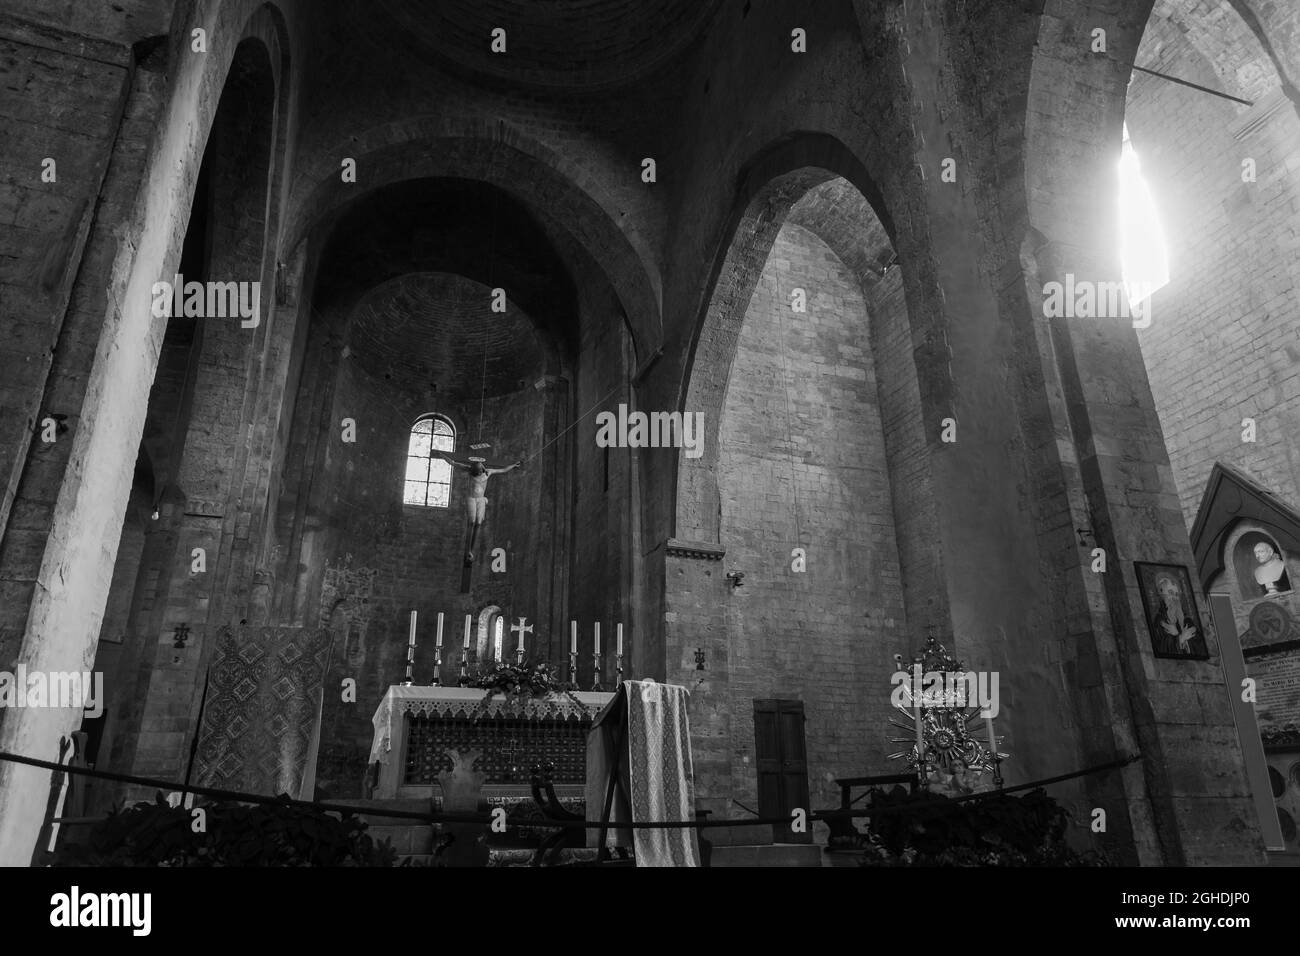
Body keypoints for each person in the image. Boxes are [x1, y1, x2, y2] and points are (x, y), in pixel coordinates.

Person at [1149, 572, 1207, 657]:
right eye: (1170, 592)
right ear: (1162, 595)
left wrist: (1179, 636)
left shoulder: (1187, 621)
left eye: (1176, 594)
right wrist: (1180, 638)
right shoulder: (1160, 621)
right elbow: (1160, 647)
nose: (1174, 598)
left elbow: (1201, 647)